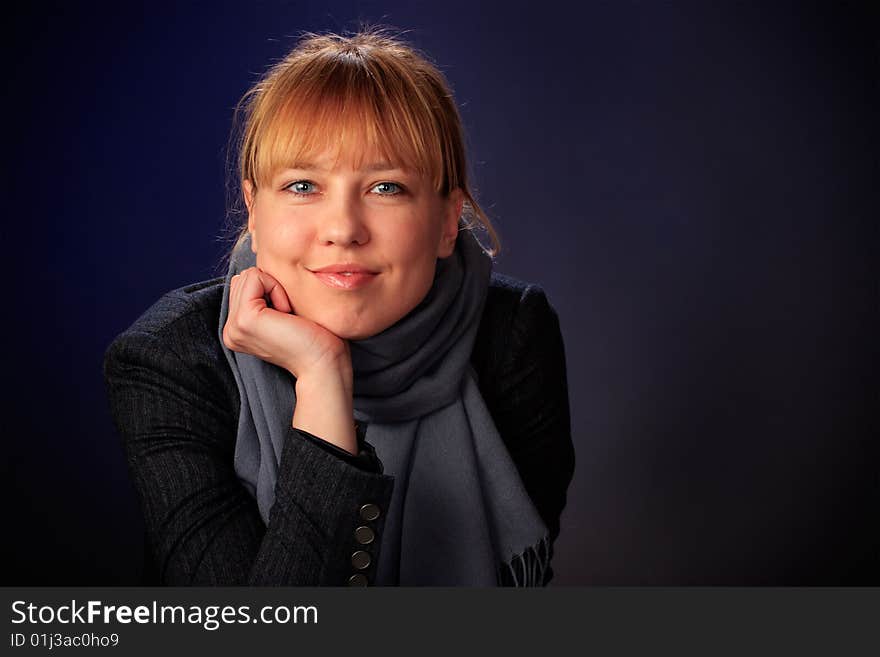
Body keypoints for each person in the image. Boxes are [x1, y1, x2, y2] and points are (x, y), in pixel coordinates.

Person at [103, 28, 575, 586]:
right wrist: (323, 377)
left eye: (386, 187)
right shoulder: (169, 362)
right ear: (253, 207)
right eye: (303, 186)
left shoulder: (511, 337)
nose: (343, 230)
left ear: (448, 219)